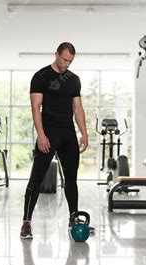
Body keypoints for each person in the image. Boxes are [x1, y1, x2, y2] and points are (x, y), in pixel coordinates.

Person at [20, 42, 92, 239]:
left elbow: (78, 108)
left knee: (71, 179)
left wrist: (84, 133)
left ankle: (73, 217)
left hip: (68, 133)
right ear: (56, 54)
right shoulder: (41, 76)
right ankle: (26, 222)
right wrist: (41, 135)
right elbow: (35, 107)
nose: (66, 64)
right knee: (37, 178)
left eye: (70, 61)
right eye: (64, 59)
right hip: (49, 132)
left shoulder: (74, 79)